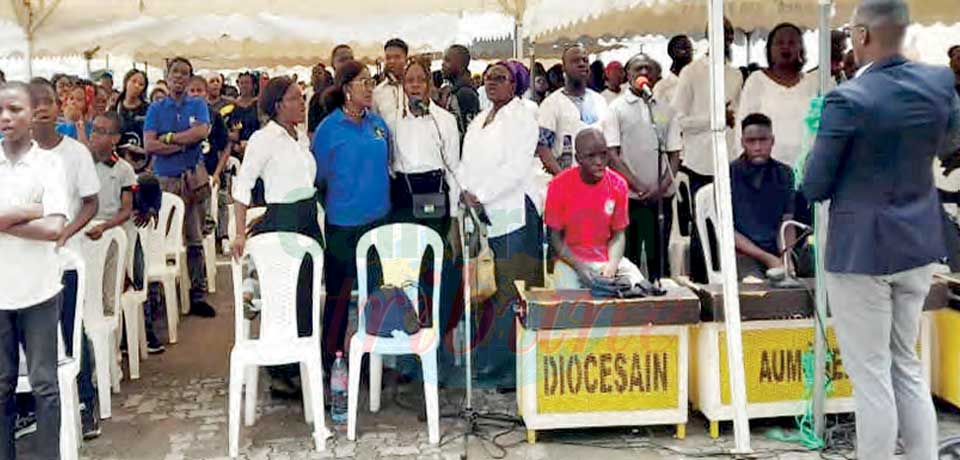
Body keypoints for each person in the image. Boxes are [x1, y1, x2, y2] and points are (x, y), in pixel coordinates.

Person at [802, 1, 960, 458]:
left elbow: (815, 185)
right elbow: (951, 144)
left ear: (862, 36)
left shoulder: (847, 98)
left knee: (871, 375)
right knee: (906, 366)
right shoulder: (939, 83)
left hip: (861, 252)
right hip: (918, 245)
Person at [456, 62, 542, 389]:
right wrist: (465, 192)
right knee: (487, 288)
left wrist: (481, 194)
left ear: (515, 84)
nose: (492, 83)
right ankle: (488, 359)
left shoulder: (523, 116)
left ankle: (509, 367)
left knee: (510, 290)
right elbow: (466, 161)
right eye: (488, 77)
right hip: (482, 215)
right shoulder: (481, 117)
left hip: (512, 211)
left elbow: (517, 167)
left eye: (500, 78)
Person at [232, 76, 320, 398]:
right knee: (282, 298)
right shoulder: (263, 139)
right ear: (278, 104)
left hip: (308, 218)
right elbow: (242, 186)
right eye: (296, 98)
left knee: (305, 296)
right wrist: (239, 233)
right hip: (283, 219)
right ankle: (280, 373)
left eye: (302, 97)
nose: (302, 103)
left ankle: (304, 364)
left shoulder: (299, 137)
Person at [0, 81, 69, 460]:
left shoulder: (49, 164)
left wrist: (4, 218)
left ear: (33, 113)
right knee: (1, 386)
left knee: (44, 386)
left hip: (40, 291)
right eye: (0, 111)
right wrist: (31, 209)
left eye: (15, 109)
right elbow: (43, 219)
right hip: (0, 294)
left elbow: (55, 228)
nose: (6, 118)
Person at [312, 60, 391, 376]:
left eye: (372, 82)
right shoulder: (328, 130)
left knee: (377, 295)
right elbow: (318, 178)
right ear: (346, 90)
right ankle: (330, 363)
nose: (370, 87)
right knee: (339, 297)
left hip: (377, 224)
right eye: (363, 82)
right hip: (343, 226)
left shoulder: (378, 125)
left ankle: (374, 364)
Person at [671, 17, 742, 284]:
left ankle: (729, 283)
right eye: (718, 32)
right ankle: (702, 286)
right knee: (703, 227)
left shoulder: (735, 75)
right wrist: (715, 121)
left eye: (728, 33)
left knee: (729, 226)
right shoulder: (691, 72)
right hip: (700, 162)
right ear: (708, 35)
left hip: (730, 159)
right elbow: (678, 120)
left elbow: (738, 117)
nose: (724, 38)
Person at [143, 56, 215, 318]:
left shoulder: (198, 103)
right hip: (165, 180)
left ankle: (198, 294)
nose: (179, 77)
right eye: (175, 72)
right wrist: (185, 143)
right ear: (167, 74)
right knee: (161, 238)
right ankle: (160, 296)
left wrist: (171, 139)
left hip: (191, 179)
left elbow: (201, 133)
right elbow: (149, 145)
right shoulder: (156, 108)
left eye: (185, 73)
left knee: (194, 238)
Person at [604, 54, 682, 281]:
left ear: (657, 76)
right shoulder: (616, 108)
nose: (644, 73)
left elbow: (674, 153)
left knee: (659, 259)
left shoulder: (664, 109)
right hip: (629, 198)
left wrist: (661, 186)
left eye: (649, 69)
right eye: (638, 68)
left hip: (660, 199)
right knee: (630, 259)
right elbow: (612, 154)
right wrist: (638, 186)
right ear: (627, 75)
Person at [546, 128, 645, 289]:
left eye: (603, 154)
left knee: (640, 287)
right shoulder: (559, 185)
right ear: (578, 159)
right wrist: (580, 268)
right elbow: (555, 239)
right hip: (570, 262)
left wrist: (612, 266)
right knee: (571, 302)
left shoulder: (618, 184)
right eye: (591, 156)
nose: (599, 161)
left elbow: (619, 235)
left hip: (607, 260)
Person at [389, 57, 461, 235]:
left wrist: (453, 214)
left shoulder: (445, 120)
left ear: (429, 84)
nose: (415, 85)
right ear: (403, 86)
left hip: (434, 189)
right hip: (403, 190)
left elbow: (453, 168)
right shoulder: (392, 121)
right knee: (406, 255)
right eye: (410, 80)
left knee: (433, 251)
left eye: (421, 80)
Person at [737, 22, 823, 168]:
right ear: (769, 49)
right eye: (780, 42)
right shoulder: (756, 80)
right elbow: (742, 124)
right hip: (765, 170)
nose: (786, 46)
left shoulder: (813, 82)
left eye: (792, 42)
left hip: (806, 168)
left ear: (801, 49)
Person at [730, 114, 796, 279]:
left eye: (763, 140)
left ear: (772, 141)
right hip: (742, 253)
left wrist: (786, 257)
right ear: (742, 142)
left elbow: (787, 223)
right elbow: (727, 231)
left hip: (777, 249)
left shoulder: (784, 174)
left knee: (806, 280)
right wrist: (768, 259)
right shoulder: (728, 174)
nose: (758, 147)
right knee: (756, 288)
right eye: (751, 141)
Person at [536, 44, 609, 176]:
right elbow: (543, 147)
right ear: (564, 67)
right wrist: (563, 179)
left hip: (598, 181)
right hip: (567, 180)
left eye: (585, 60)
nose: (582, 64)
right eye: (575, 61)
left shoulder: (600, 101)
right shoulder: (551, 104)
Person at [441, 44, 481, 137]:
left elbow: (470, 132)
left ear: (460, 65)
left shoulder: (466, 94)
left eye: (447, 60)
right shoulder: (452, 91)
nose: (442, 64)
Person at [115, 69, 150, 171]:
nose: (136, 86)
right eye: (133, 81)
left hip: (142, 162)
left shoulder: (148, 109)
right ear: (126, 82)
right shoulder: (115, 108)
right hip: (119, 162)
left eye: (141, 84)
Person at [373, 38, 408, 124]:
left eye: (397, 57)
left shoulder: (415, 88)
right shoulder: (377, 92)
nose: (392, 61)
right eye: (388, 58)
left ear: (406, 60)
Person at [230, 72, 261, 159]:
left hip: (257, 146)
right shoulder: (233, 105)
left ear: (253, 85)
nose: (244, 86)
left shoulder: (259, 104)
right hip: (239, 147)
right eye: (241, 83)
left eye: (247, 83)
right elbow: (234, 129)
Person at [655, 35, 694, 105]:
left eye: (690, 49)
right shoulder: (662, 86)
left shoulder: (698, 81)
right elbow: (659, 112)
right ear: (672, 52)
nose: (689, 53)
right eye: (684, 48)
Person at [307, 65, 333, 139]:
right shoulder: (313, 98)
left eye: (319, 73)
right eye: (314, 73)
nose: (316, 76)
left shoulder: (329, 96)